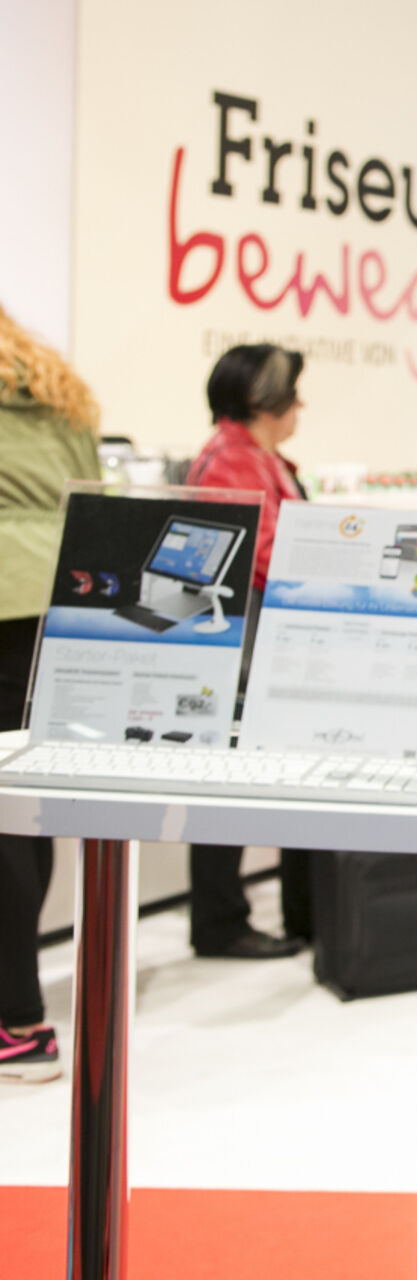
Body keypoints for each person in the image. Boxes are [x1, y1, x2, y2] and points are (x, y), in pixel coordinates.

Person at [183, 344, 312, 960]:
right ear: (267, 400)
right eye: (293, 394)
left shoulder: (253, 458)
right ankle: (220, 922)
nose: (301, 406)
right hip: (240, 651)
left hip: (253, 645)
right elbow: (263, 556)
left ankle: (253, 917)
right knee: (224, 783)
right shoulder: (233, 463)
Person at [0, 305, 101, 1084]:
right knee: (23, 805)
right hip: (56, 601)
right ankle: (20, 1006)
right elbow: (92, 499)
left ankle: (18, 1019)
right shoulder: (60, 394)